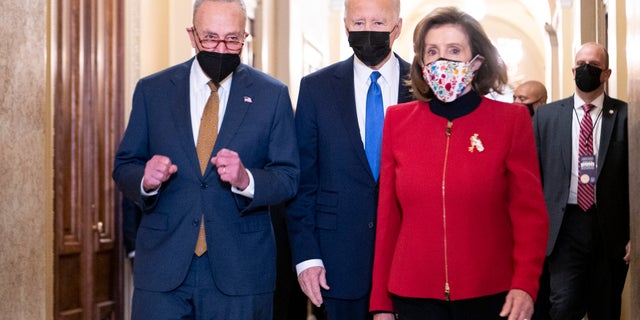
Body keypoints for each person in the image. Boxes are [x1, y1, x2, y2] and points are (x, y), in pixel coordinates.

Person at [112, 0, 299, 318]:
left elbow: (288, 176)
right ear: (192, 34)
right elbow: (124, 166)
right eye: (210, 38)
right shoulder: (152, 91)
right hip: (163, 270)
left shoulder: (272, 95)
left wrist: (246, 180)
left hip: (241, 272)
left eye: (232, 39)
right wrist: (145, 178)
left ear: (244, 37)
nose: (222, 49)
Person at [369, 7, 549, 320]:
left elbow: (529, 215)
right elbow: (388, 219)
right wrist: (381, 304)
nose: (442, 61)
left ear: (476, 62)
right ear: (422, 64)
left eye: (454, 51)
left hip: (490, 294)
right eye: (432, 52)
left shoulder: (511, 121)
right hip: (413, 295)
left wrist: (525, 284)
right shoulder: (398, 122)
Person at [285, 0, 412, 319]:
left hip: (409, 262)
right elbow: (303, 182)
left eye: (379, 24)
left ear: (397, 27)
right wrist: (308, 257)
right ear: (345, 26)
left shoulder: (422, 86)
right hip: (335, 263)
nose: (368, 31)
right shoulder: (316, 88)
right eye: (359, 23)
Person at [532, 42, 630, 320]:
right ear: (572, 70)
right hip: (564, 227)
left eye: (594, 66)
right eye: (581, 65)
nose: (586, 70)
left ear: (607, 73)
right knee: (563, 306)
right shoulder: (546, 116)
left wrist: (635, 234)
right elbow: (533, 177)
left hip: (610, 229)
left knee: (606, 308)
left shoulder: (626, 116)